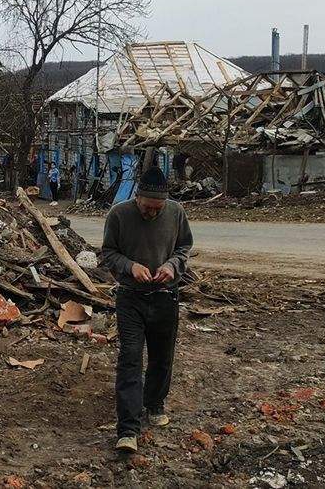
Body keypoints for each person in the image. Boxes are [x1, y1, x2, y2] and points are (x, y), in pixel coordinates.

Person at [99, 166, 193, 454]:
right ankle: (128, 428)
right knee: (130, 358)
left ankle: (154, 403)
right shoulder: (119, 214)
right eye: (148, 207)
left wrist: (171, 266)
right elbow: (108, 253)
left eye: (157, 208)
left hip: (165, 295)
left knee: (162, 356)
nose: (152, 213)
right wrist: (130, 267)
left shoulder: (176, 213)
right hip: (131, 298)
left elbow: (184, 247)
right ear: (137, 197)